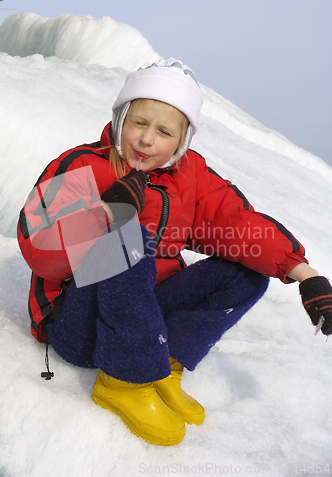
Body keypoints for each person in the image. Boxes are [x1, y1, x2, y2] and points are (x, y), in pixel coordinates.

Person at [17, 58, 332, 446]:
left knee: (245, 270)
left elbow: (238, 224)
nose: (147, 139)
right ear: (119, 120)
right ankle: (124, 383)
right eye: (138, 123)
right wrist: (106, 216)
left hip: (142, 317)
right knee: (127, 235)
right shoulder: (83, 165)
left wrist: (306, 274)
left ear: (181, 142)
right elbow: (38, 246)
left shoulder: (189, 176)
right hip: (77, 325)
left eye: (164, 131)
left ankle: (163, 366)